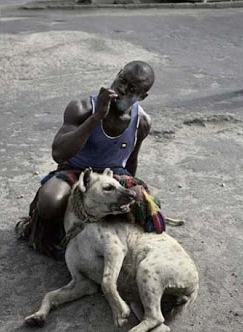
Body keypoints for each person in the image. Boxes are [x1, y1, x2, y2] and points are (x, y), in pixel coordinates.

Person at [18, 61, 166, 259]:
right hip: (76, 170)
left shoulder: (142, 122)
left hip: (113, 175)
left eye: (131, 89)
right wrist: (96, 117)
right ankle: (52, 237)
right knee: (50, 201)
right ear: (117, 74)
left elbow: (131, 161)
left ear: (142, 96)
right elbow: (59, 153)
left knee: (143, 205)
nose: (121, 89)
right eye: (121, 80)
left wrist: (130, 189)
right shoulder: (82, 108)